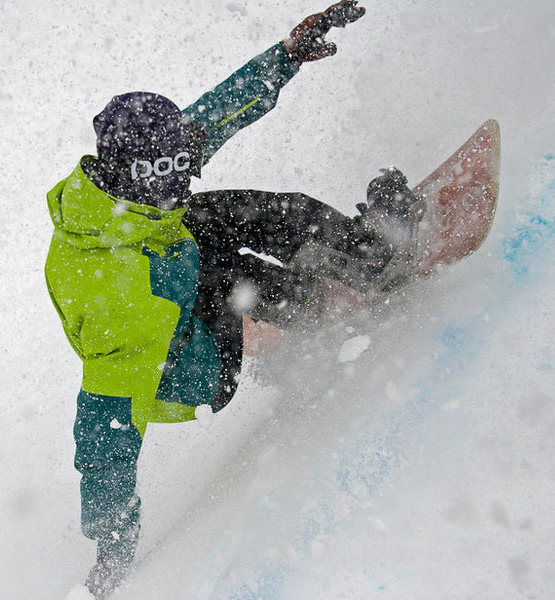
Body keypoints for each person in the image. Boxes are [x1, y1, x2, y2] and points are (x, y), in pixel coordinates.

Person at [44, 2, 423, 597]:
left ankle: (368, 251)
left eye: (182, 173)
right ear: (138, 181)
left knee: (267, 211)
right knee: (230, 276)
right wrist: (112, 551)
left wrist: (289, 54)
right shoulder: (120, 300)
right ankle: (323, 298)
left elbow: (215, 115)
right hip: (188, 366)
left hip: (166, 264)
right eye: (172, 182)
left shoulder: (137, 184)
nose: (185, 184)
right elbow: (104, 434)